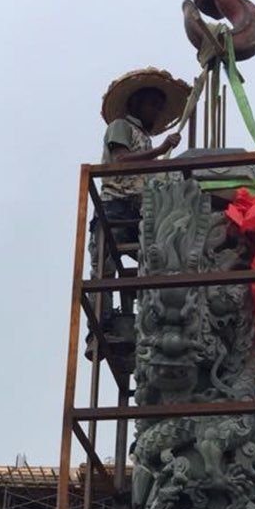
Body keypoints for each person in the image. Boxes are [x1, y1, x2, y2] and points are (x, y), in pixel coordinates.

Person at [89, 68, 190, 333]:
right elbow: (121, 160)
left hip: (141, 207)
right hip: (116, 204)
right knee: (104, 268)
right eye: (151, 104)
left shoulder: (144, 138)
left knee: (157, 258)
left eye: (158, 107)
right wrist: (160, 151)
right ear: (136, 103)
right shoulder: (121, 126)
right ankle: (101, 326)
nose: (155, 111)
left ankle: (152, 315)